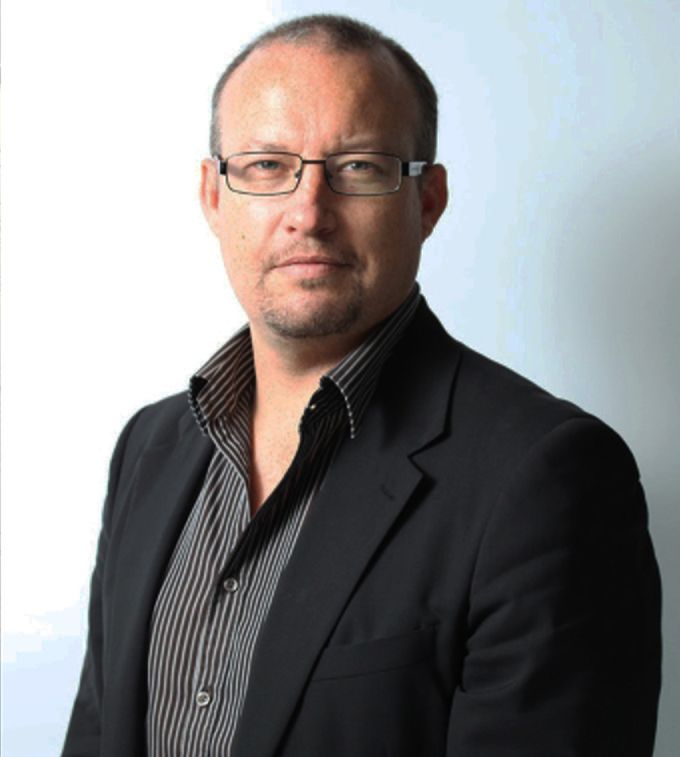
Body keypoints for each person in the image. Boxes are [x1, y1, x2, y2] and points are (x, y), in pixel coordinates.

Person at [62, 14, 661, 757]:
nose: (308, 214)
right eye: (266, 165)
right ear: (214, 197)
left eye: (359, 167)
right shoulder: (148, 449)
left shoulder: (547, 477)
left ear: (428, 201)